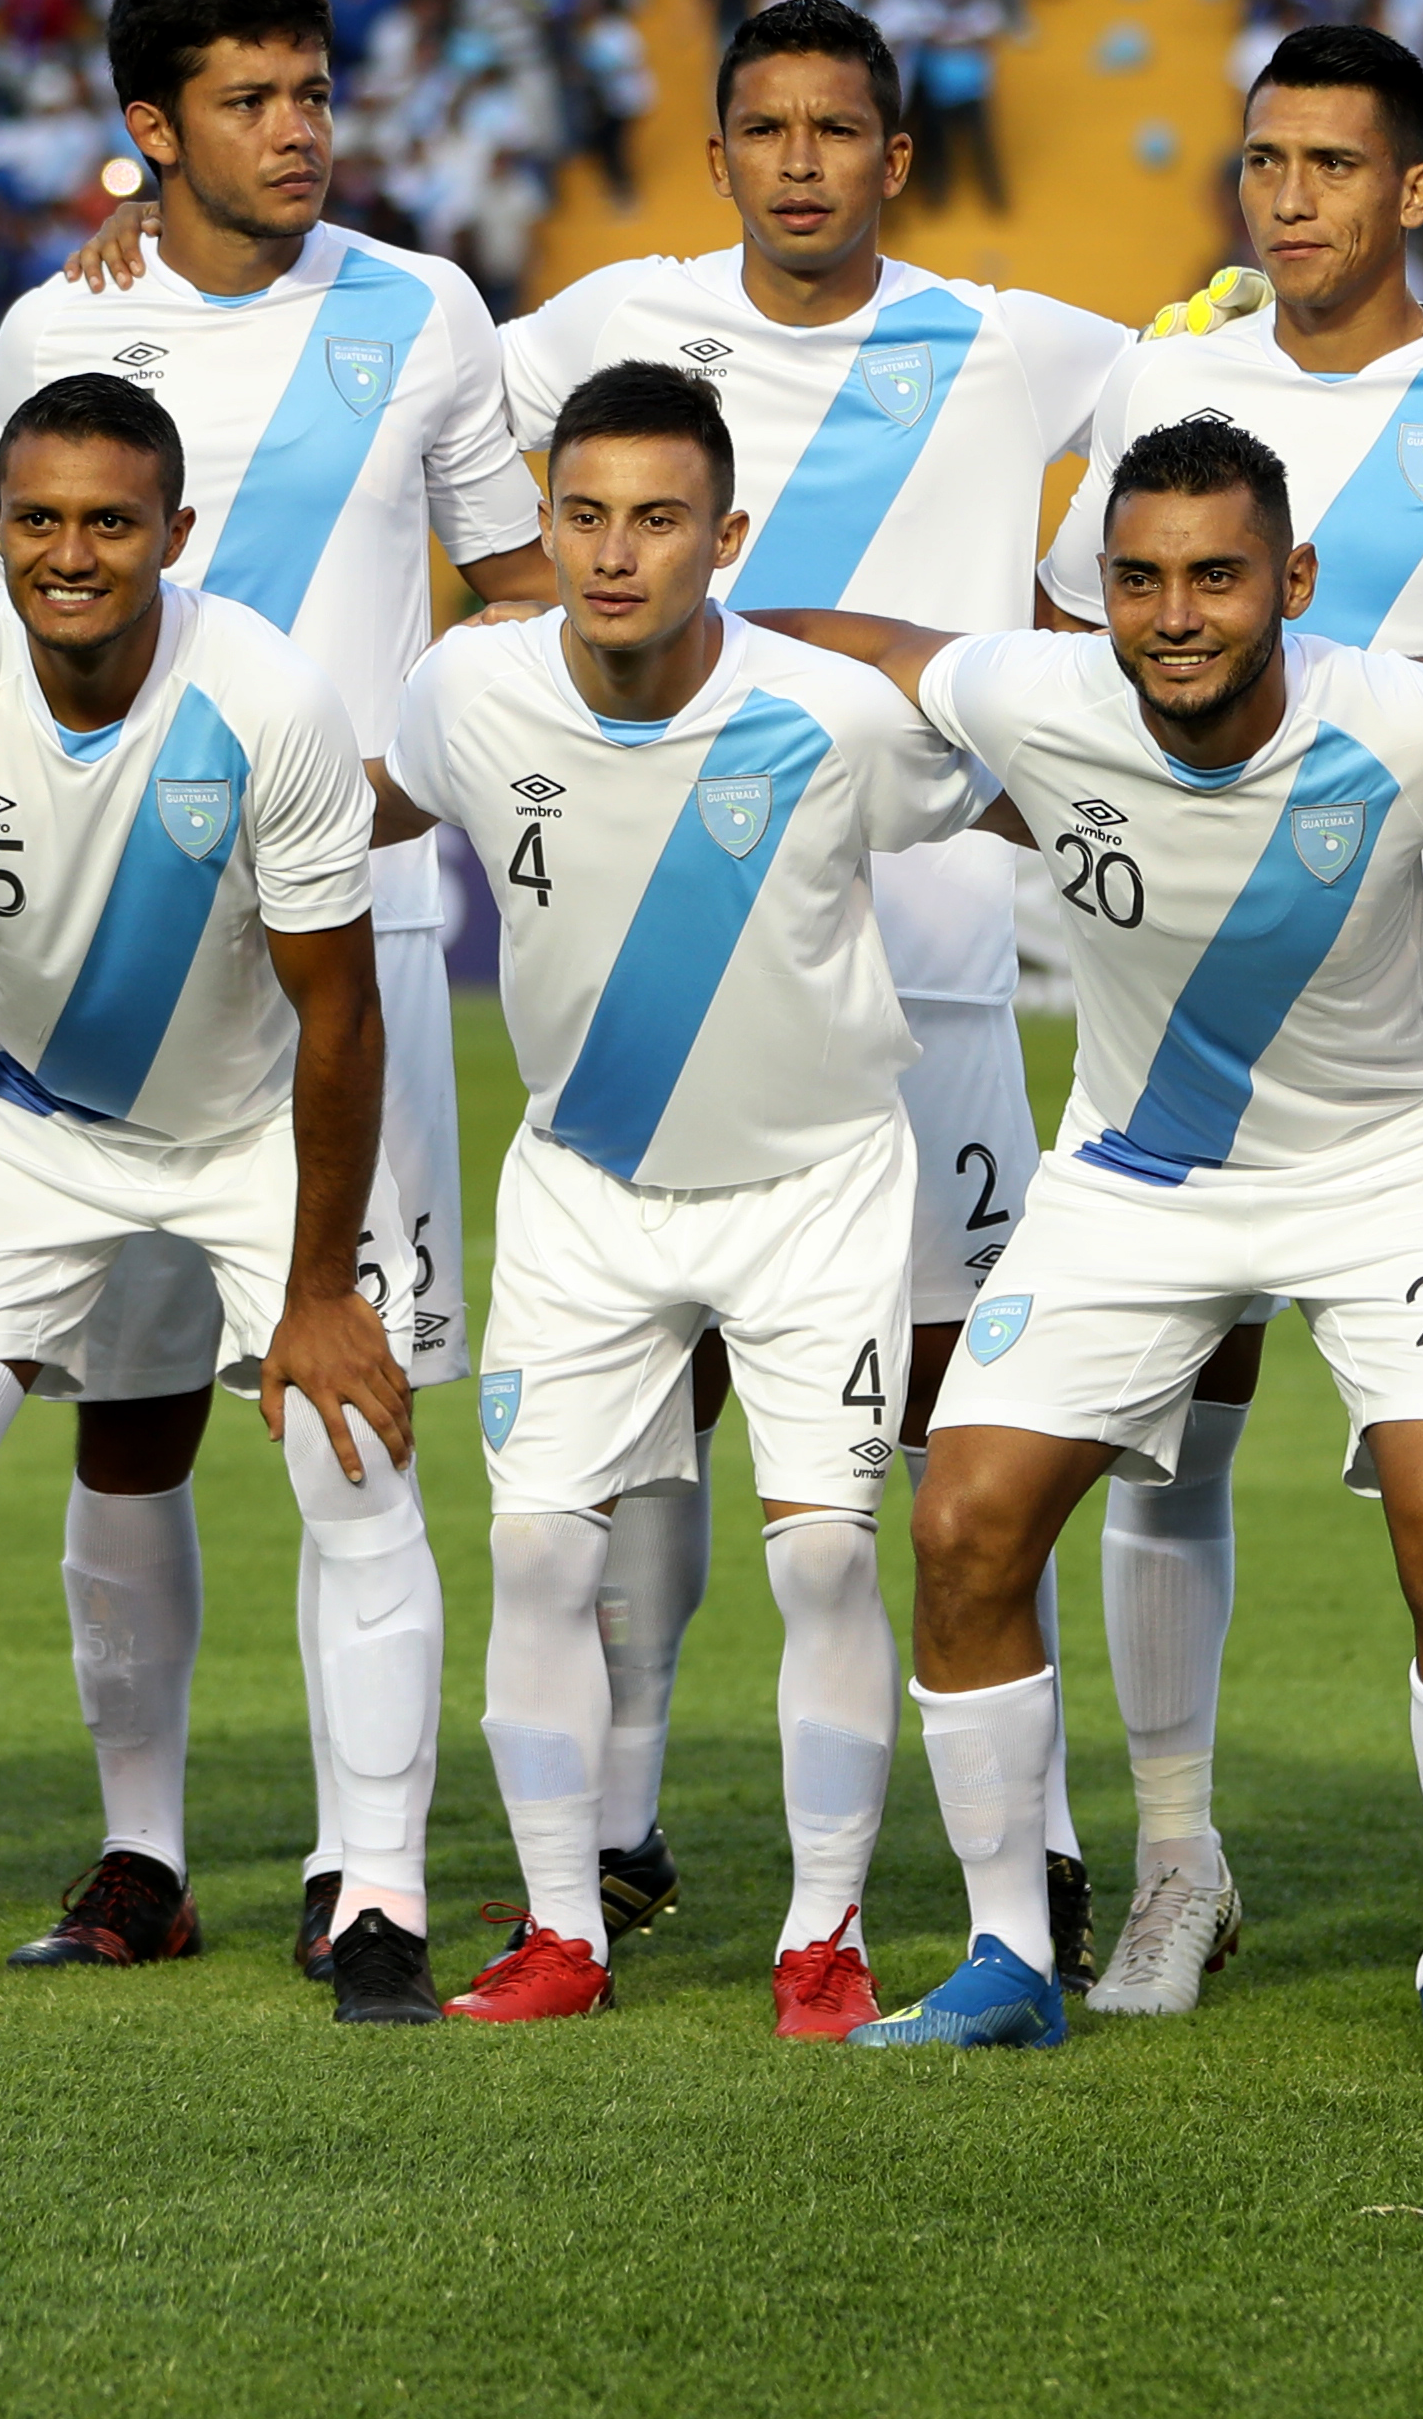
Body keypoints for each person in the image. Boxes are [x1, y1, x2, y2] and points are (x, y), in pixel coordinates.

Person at [764, 417, 1423, 2075]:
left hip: (1389, 1164)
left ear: (1295, 582)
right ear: (1097, 591)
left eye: (1213, 573)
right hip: (1134, 1176)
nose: (1174, 612)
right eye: (1136, 577)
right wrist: (626, 614)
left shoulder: (1413, 722)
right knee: (967, 1517)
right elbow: (865, 642)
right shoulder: (1035, 694)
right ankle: (1002, 1952)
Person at [491, 0, 1134, 1970]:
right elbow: (438, 449)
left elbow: (1255, 391)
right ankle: (624, 1813)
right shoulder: (609, 324)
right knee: (653, 1408)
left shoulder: (1021, 343)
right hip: (671, 963)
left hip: (926, 968)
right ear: (717, 153)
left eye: (836, 131)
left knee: (944, 1428)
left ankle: (1009, 1835)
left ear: (894, 158)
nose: (797, 162)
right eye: (762, 128)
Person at [1033, 23, 1423, 2025]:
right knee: (1164, 1459)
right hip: (1180, 1005)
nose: (1289, 199)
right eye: (1265, 161)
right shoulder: (1166, 371)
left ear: (1418, 193)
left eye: (1332, 166)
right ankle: (1181, 1867)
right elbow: (1072, 643)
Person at [0, 0, 545, 1979]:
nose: (299, 127)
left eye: (312, 89)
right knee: (124, 1415)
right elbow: (6, 614)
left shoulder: (425, 312)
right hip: (97, 962)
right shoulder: (55, 324)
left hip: (353, 942)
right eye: (250, 98)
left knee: (341, 1399)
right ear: (152, 131)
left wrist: (409, 782)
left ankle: (362, 1867)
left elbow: (511, 597)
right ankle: (142, 1858)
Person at [375, 364, 992, 2034]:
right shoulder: (466, 691)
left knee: (817, 1565)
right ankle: (562, 1930)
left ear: (722, 534)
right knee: (532, 1551)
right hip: (586, 1188)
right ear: (546, 525)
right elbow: (357, 806)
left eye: (657, 518)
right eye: (581, 514)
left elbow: (1009, 787)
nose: (614, 552)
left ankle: (822, 1934)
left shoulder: (837, 714)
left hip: (818, 1186)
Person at [0, 370, 406, 2008]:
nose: (70, 553)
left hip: (257, 1117)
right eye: (38, 519)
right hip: (31, 1116)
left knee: (352, 1458)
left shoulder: (270, 697)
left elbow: (340, 1010)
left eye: (109, 522)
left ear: (175, 533)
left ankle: (380, 1906)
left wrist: (322, 1285)